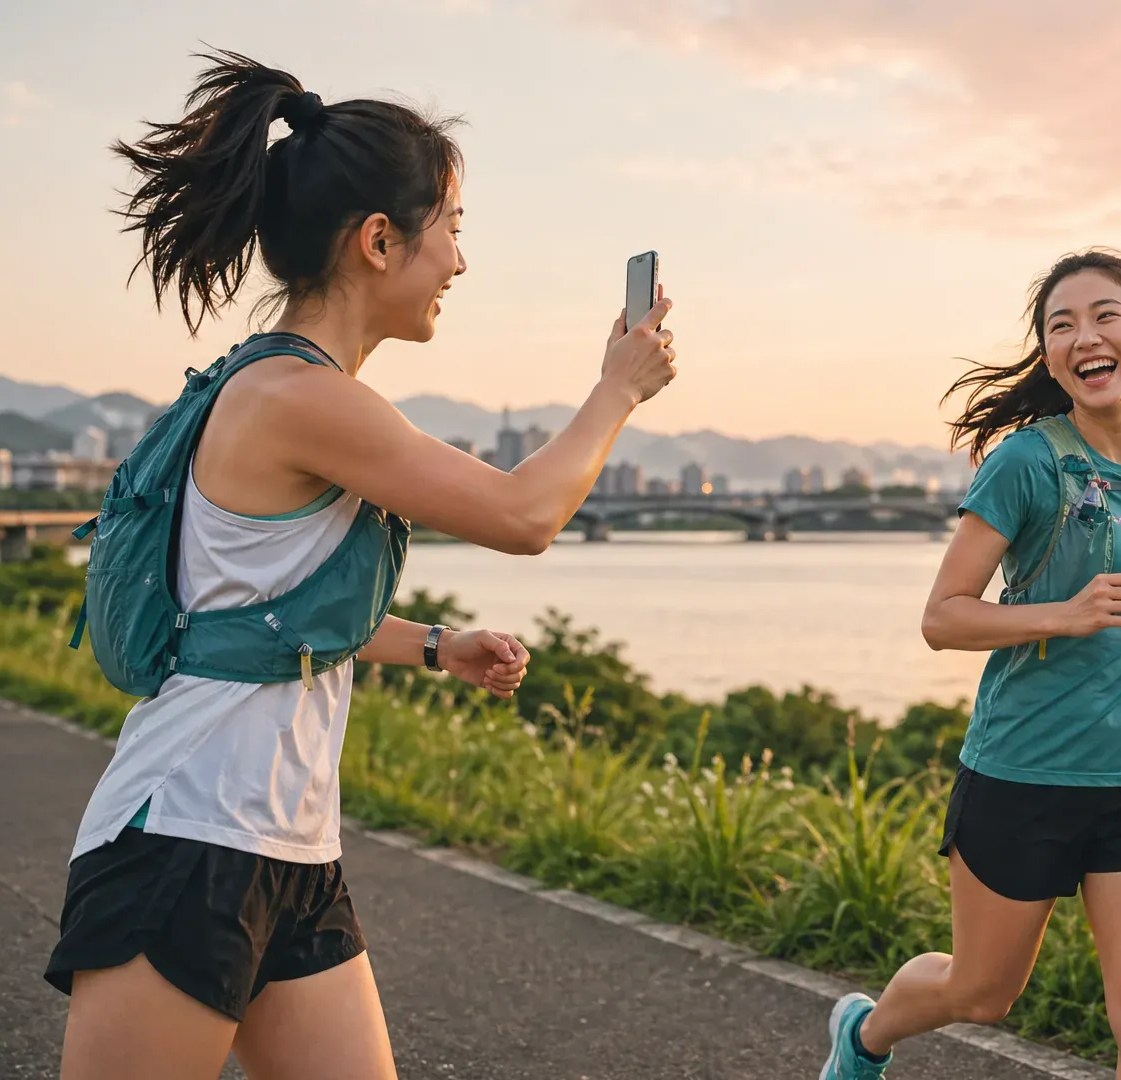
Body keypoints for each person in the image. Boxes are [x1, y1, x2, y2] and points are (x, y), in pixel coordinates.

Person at [44, 51, 677, 1080]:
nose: (461, 264)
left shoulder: (293, 394)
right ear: (381, 240)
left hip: (289, 850)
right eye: (454, 231)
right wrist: (618, 389)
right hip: (187, 840)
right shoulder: (299, 398)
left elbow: (258, 613)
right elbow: (524, 516)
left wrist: (436, 644)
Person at [818, 249, 1121, 1080]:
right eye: (1061, 326)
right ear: (1049, 355)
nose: (1083, 337)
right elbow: (942, 618)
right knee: (981, 993)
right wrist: (1066, 612)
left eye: (1104, 316)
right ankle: (864, 1037)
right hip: (1025, 772)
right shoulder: (1026, 463)